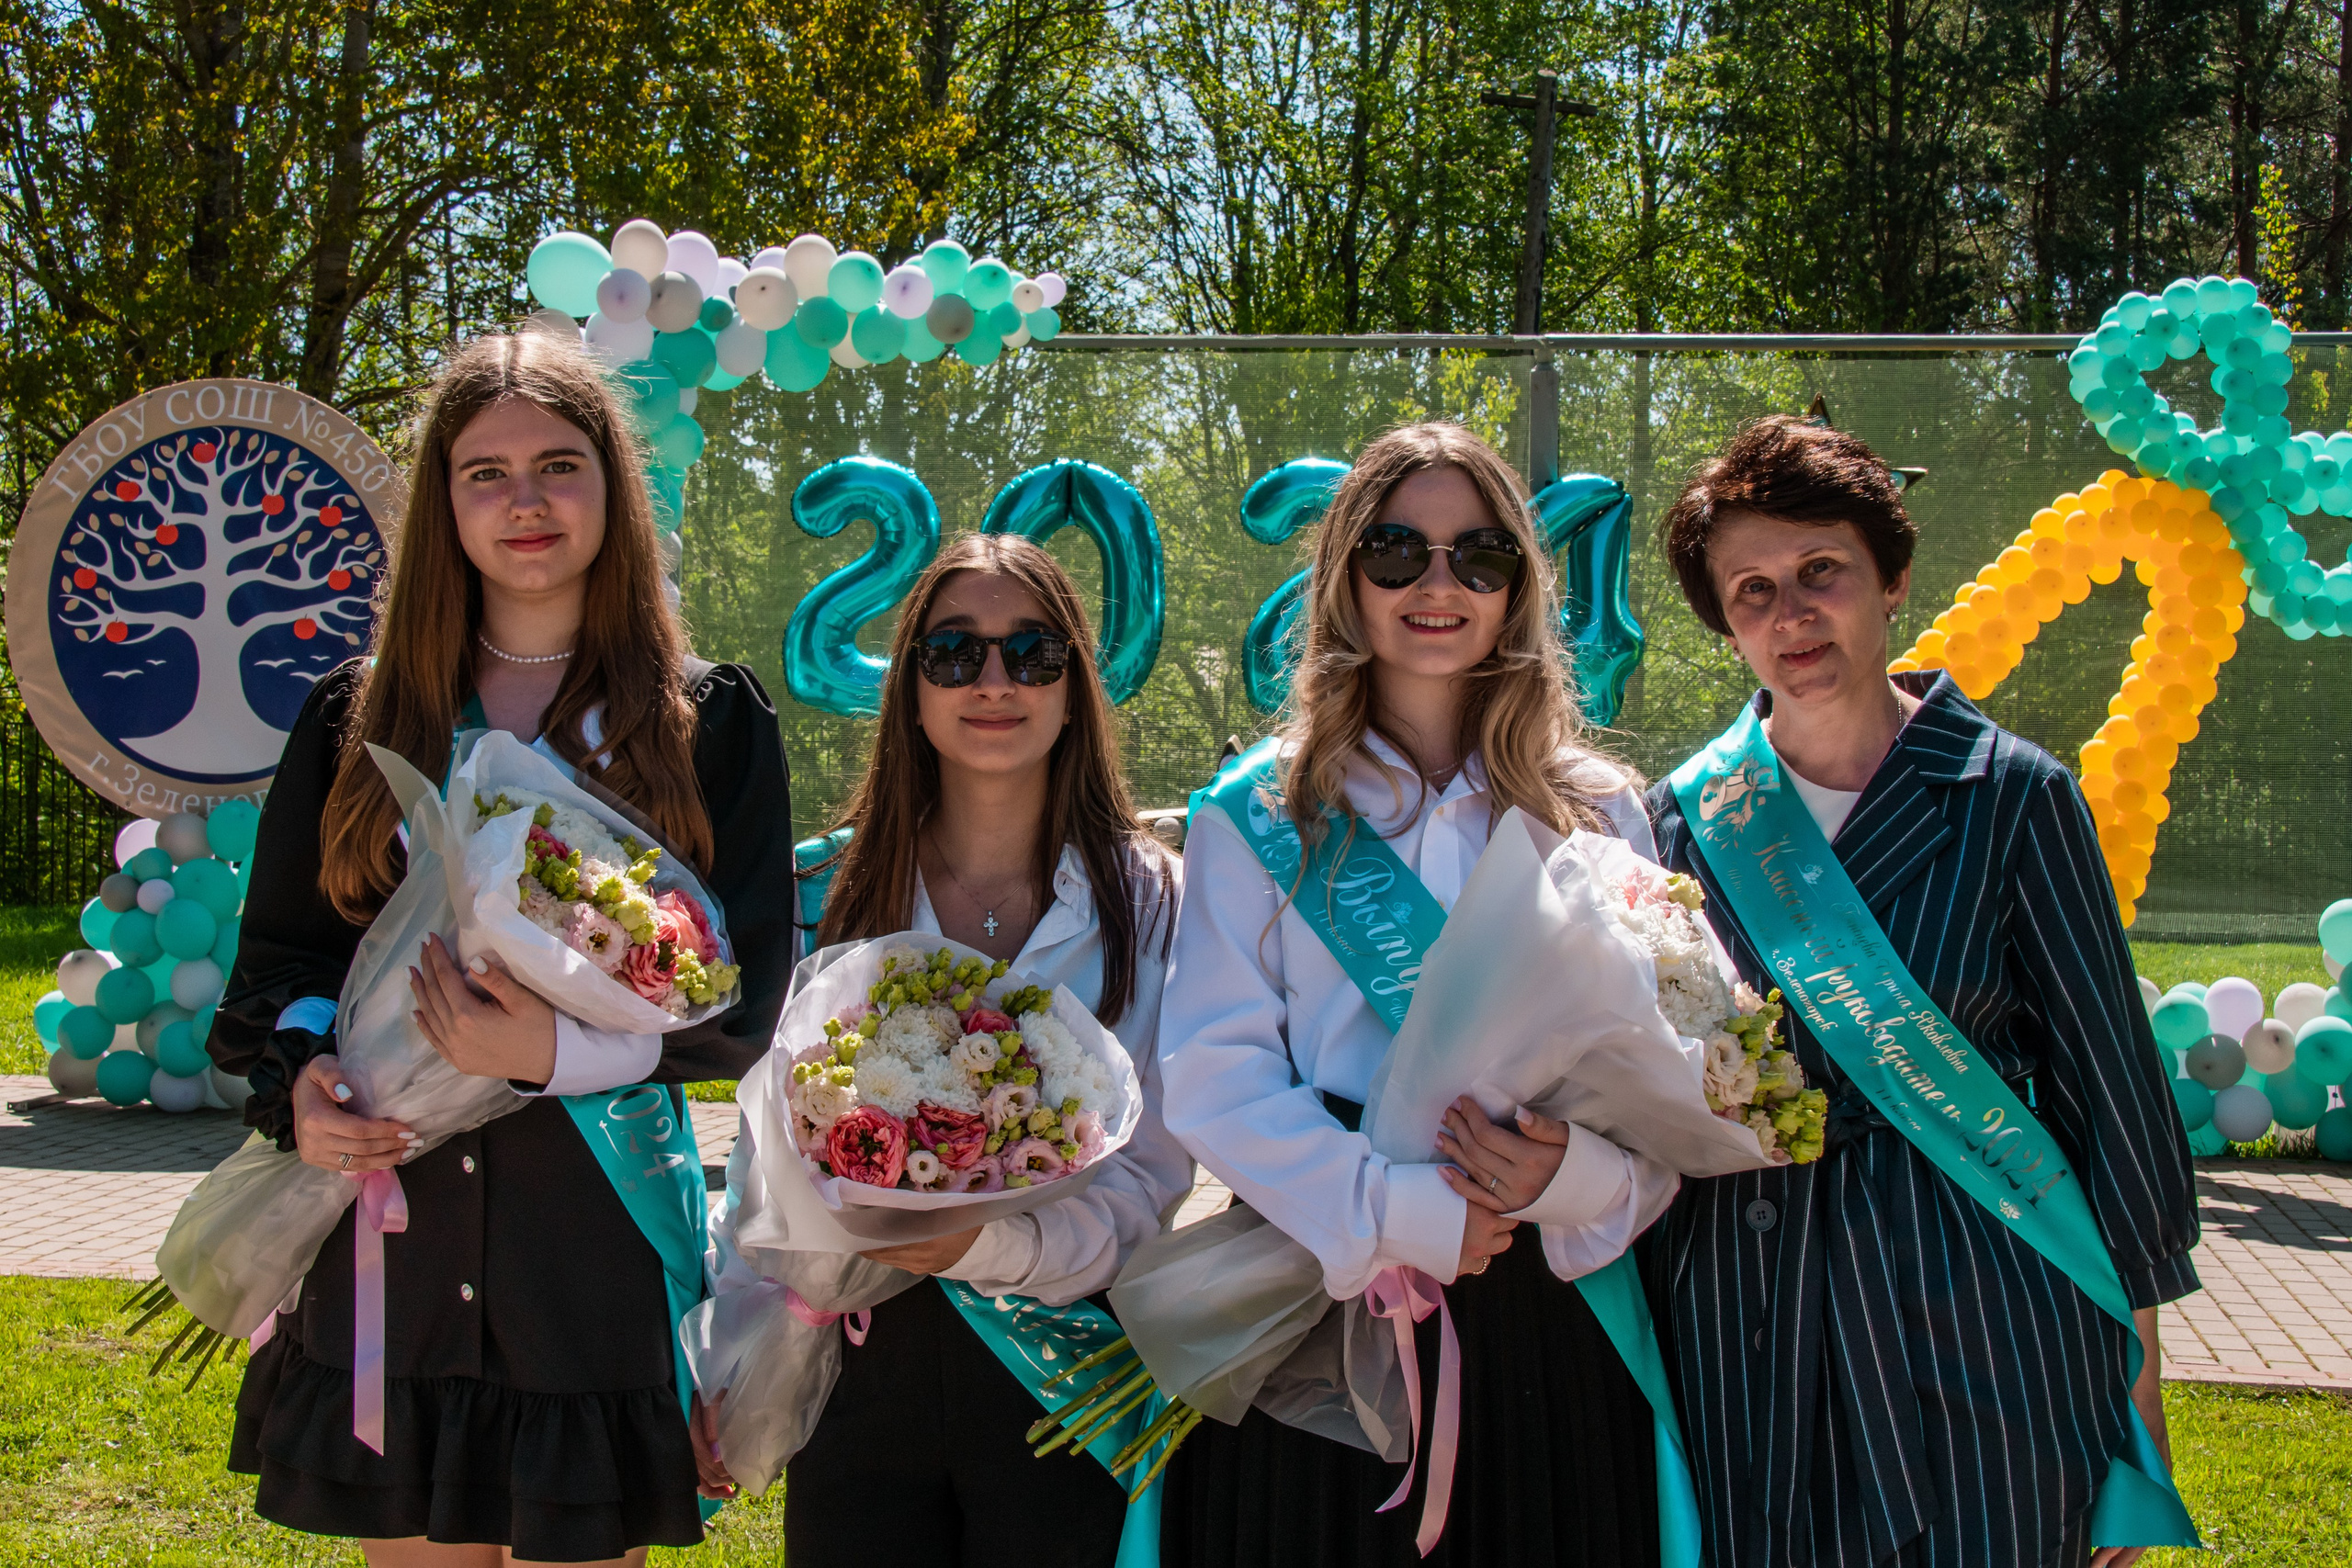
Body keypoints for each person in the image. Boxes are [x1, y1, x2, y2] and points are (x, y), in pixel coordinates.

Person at [209, 330, 796, 1566]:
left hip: (587, 1255)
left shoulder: (708, 725)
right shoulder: (359, 717)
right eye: (486, 471)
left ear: (612, 488)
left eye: (559, 463)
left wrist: (554, 1046)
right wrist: (307, 1076)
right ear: (445, 502)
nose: (525, 499)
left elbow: (747, 1007)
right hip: (397, 1249)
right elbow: (278, 969)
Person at [1645, 414, 2199, 1568]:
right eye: (1749, 591)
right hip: (1754, 1314)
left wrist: (2136, 1411)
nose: (1788, 614)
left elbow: (2112, 1091)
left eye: (1819, 573)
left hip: (1981, 1304)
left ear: (1891, 579)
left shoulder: (2013, 796)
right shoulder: (1679, 821)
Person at [1152, 421, 1679, 1568]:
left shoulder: (1602, 813)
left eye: (1478, 556)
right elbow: (1210, 1071)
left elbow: (1662, 1086)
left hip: (1550, 1306)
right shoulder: (1257, 815)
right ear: (1343, 577)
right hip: (1324, 1288)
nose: (1438, 585)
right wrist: (1398, 1210)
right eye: (1397, 552)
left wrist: (1576, 1176)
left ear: (1517, 589)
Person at [704, 533, 1192, 1568]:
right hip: (859, 1370)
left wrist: (982, 1250)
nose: (996, 681)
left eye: (1035, 653)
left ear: (1075, 689)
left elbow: (1149, 1181)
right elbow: (761, 1162)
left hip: (1068, 1373)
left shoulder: (1152, 901)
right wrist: (731, 1360)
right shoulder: (821, 891)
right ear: (911, 688)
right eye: (954, 653)